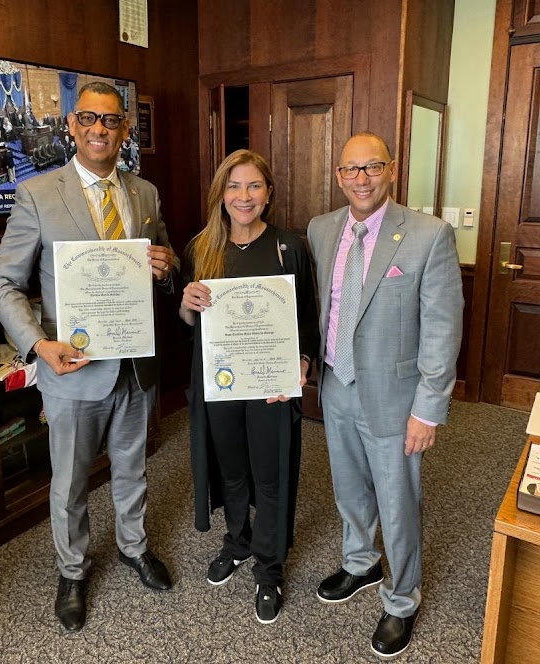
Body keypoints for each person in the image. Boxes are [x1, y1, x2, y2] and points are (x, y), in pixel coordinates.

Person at [0, 81, 179, 633]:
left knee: (132, 468)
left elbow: (160, 264)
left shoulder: (145, 194)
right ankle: (73, 570)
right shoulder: (38, 194)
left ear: (124, 129)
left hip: (134, 364)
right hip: (70, 370)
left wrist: (165, 269)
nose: (100, 129)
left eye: (112, 121)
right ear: (72, 125)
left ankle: (133, 547)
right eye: (89, 119)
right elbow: (2, 282)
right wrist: (37, 345)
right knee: (69, 482)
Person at [307, 132, 463, 659]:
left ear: (391, 170)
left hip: (397, 398)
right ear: (338, 176)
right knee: (348, 486)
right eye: (351, 169)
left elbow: (442, 330)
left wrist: (429, 408)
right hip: (336, 384)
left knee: (398, 502)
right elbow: (317, 307)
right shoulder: (321, 229)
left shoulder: (428, 235)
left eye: (372, 167)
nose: (361, 179)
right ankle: (360, 562)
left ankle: (401, 599)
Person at [180, 149, 319, 625]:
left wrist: (301, 363)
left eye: (254, 186)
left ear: (269, 194)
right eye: (234, 186)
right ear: (221, 194)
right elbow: (189, 323)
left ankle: (269, 567)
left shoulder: (289, 247)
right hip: (219, 384)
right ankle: (237, 541)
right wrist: (187, 302)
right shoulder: (201, 248)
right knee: (231, 469)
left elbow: (307, 319)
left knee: (271, 475)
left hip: (269, 387)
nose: (244, 196)